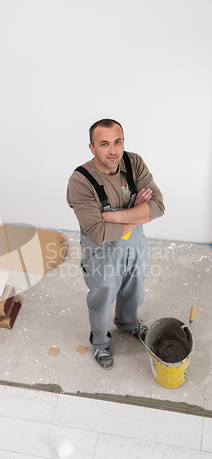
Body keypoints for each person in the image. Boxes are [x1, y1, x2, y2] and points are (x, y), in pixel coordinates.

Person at [67, 119, 165, 369]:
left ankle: (128, 323)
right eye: (104, 144)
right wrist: (137, 212)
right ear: (92, 148)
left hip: (134, 246)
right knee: (102, 297)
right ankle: (100, 343)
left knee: (134, 288)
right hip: (101, 253)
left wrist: (114, 216)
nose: (113, 150)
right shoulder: (81, 181)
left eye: (117, 142)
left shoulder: (134, 163)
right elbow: (98, 233)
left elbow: (158, 207)